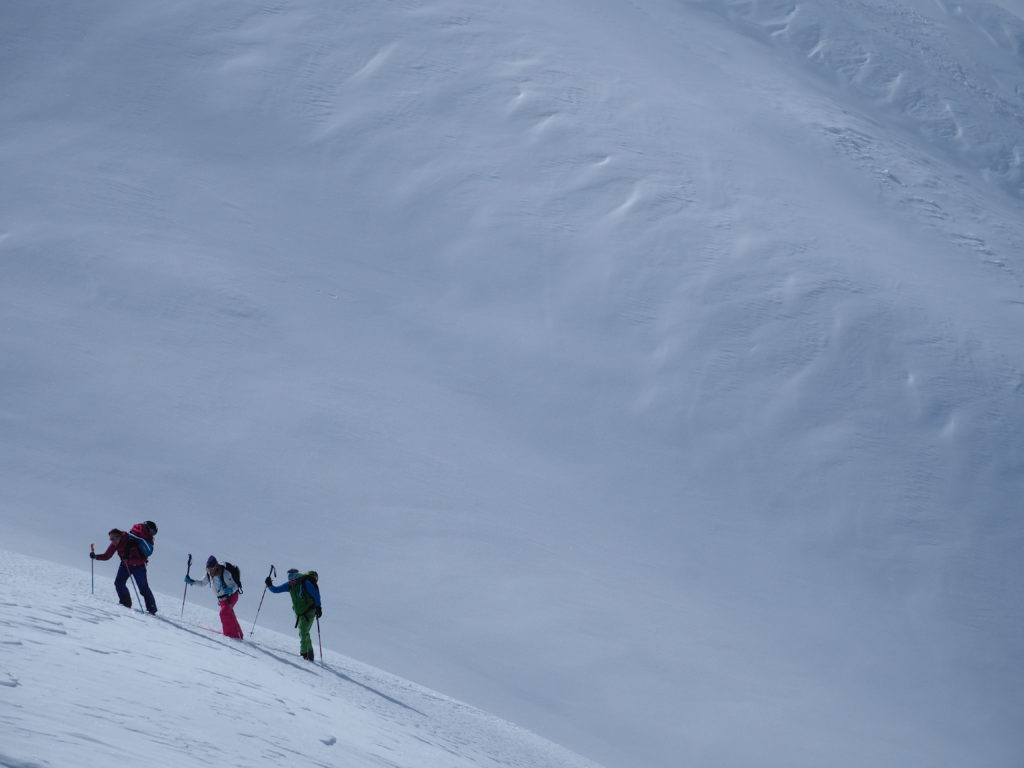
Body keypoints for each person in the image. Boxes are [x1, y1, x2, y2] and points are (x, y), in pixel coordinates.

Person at [90, 521, 159, 614]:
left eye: (114, 538)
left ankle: (152, 609)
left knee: (143, 588)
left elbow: (140, 559)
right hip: (125, 565)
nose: (112, 541)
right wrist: (96, 556)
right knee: (118, 583)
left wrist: (128, 561)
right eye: (111, 539)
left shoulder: (131, 541)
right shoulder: (115, 544)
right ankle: (125, 603)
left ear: (119, 536)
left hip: (138, 567)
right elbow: (107, 556)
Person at [266, 569, 322, 660]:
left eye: (292, 579)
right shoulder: (290, 585)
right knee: (303, 632)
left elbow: (316, 595)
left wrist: (318, 607)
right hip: (299, 612)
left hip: (310, 611)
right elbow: (276, 590)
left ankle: (304, 654)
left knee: (303, 631)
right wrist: (269, 585)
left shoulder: (306, 583)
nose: (291, 581)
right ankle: (310, 652)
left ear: (297, 577)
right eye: (289, 579)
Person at [184, 556, 244, 639]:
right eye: (208, 569)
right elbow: (202, 583)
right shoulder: (209, 574)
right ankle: (239, 634)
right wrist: (192, 581)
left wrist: (231, 590)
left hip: (231, 596)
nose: (209, 571)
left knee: (224, 613)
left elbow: (236, 586)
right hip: (222, 600)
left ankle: (229, 634)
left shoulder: (226, 574)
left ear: (216, 567)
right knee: (228, 613)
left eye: (211, 569)